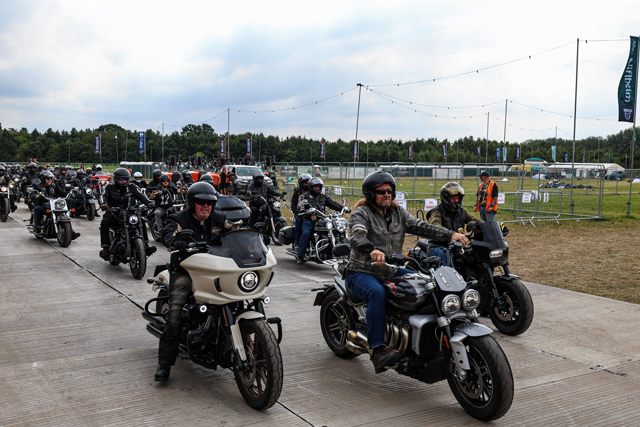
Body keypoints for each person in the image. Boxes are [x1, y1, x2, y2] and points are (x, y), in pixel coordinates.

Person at [346, 171, 468, 373]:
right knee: (377, 293)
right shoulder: (362, 213)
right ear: (370, 194)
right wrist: (370, 249)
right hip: (362, 270)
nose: (387, 194)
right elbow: (357, 234)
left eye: (390, 191)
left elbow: (421, 226)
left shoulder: (397, 213)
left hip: (391, 269)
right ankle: (377, 350)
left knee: (426, 285)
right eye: (382, 191)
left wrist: (450, 234)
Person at [154, 182, 232, 381]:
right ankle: (164, 364)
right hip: (185, 270)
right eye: (201, 202)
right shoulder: (179, 218)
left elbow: (235, 230)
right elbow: (168, 235)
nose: (206, 206)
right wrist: (176, 241)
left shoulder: (219, 219)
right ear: (192, 203)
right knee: (175, 314)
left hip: (214, 269)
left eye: (210, 203)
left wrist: (253, 234)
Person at [98, 168, 156, 260]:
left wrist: (148, 202)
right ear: (116, 179)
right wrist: (103, 204)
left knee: (141, 220)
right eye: (121, 179)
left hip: (129, 214)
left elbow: (141, 195)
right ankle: (105, 247)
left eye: (125, 179)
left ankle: (145, 245)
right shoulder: (109, 187)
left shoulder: (132, 186)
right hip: (114, 214)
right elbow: (102, 196)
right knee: (105, 222)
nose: (123, 181)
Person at [426, 182, 483, 265]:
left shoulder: (461, 211)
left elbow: (476, 221)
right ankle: (447, 277)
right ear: (445, 198)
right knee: (447, 256)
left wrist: (494, 227)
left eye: (457, 198)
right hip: (439, 245)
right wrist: (451, 234)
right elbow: (435, 226)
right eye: (452, 198)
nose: (456, 201)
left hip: (457, 246)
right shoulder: (436, 211)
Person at [296, 177, 347, 264]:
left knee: (335, 230)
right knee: (306, 233)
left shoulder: (323, 197)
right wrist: (306, 208)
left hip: (322, 219)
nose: (317, 188)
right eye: (315, 187)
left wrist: (343, 208)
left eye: (318, 187)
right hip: (309, 219)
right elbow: (300, 205)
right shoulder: (304, 196)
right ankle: (300, 255)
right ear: (311, 187)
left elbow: (333, 204)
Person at [31, 171, 81, 239]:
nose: (50, 180)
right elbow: (33, 192)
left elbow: (62, 193)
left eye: (51, 178)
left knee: (63, 213)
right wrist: (34, 195)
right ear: (43, 179)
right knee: (37, 209)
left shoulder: (54, 185)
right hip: (42, 203)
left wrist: (70, 193)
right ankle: (37, 227)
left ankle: (70, 231)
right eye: (47, 179)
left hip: (54, 203)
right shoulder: (37, 185)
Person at [290, 173, 311, 250]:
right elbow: (293, 204)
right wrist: (296, 212)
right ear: (301, 183)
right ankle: (296, 242)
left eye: (309, 182)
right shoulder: (297, 192)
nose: (307, 184)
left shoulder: (312, 191)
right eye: (305, 182)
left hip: (311, 213)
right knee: (298, 222)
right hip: (300, 213)